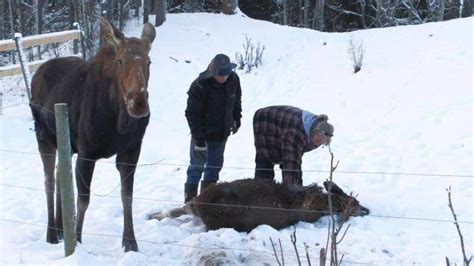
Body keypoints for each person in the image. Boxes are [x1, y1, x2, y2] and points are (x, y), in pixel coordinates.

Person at [184, 54, 242, 202]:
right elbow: (191, 113)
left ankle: (206, 202)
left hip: (221, 133)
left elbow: (236, 102)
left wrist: (236, 119)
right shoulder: (199, 85)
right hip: (202, 134)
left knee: (214, 169)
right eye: (220, 75)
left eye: (226, 74)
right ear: (213, 72)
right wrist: (198, 139)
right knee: (196, 167)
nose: (223, 77)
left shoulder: (233, 80)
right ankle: (189, 201)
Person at [253, 105, 334, 186]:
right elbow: (290, 167)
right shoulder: (296, 133)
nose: (318, 143)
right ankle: (260, 190)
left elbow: (295, 157)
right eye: (318, 138)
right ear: (316, 130)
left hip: (283, 124)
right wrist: (292, 192)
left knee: (292, 160)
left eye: (320, 142)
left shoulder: (315, 127)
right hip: (265, 120)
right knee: (266, 160)